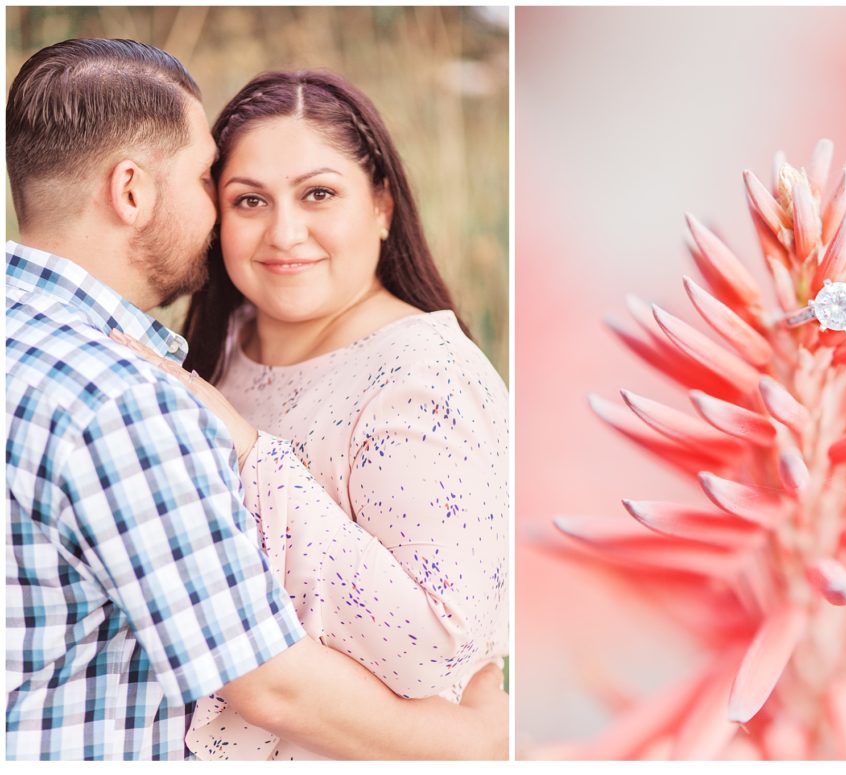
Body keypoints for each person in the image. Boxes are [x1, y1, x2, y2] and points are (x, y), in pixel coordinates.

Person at [5, 37, 506, 761]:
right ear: (135, 193)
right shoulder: (182, 365)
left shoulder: (423, 379)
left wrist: (251, 450)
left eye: (320, 193)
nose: (284, 232)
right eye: (240, 197)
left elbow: (437, 647)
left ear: (383, 206)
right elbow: (259, 678)